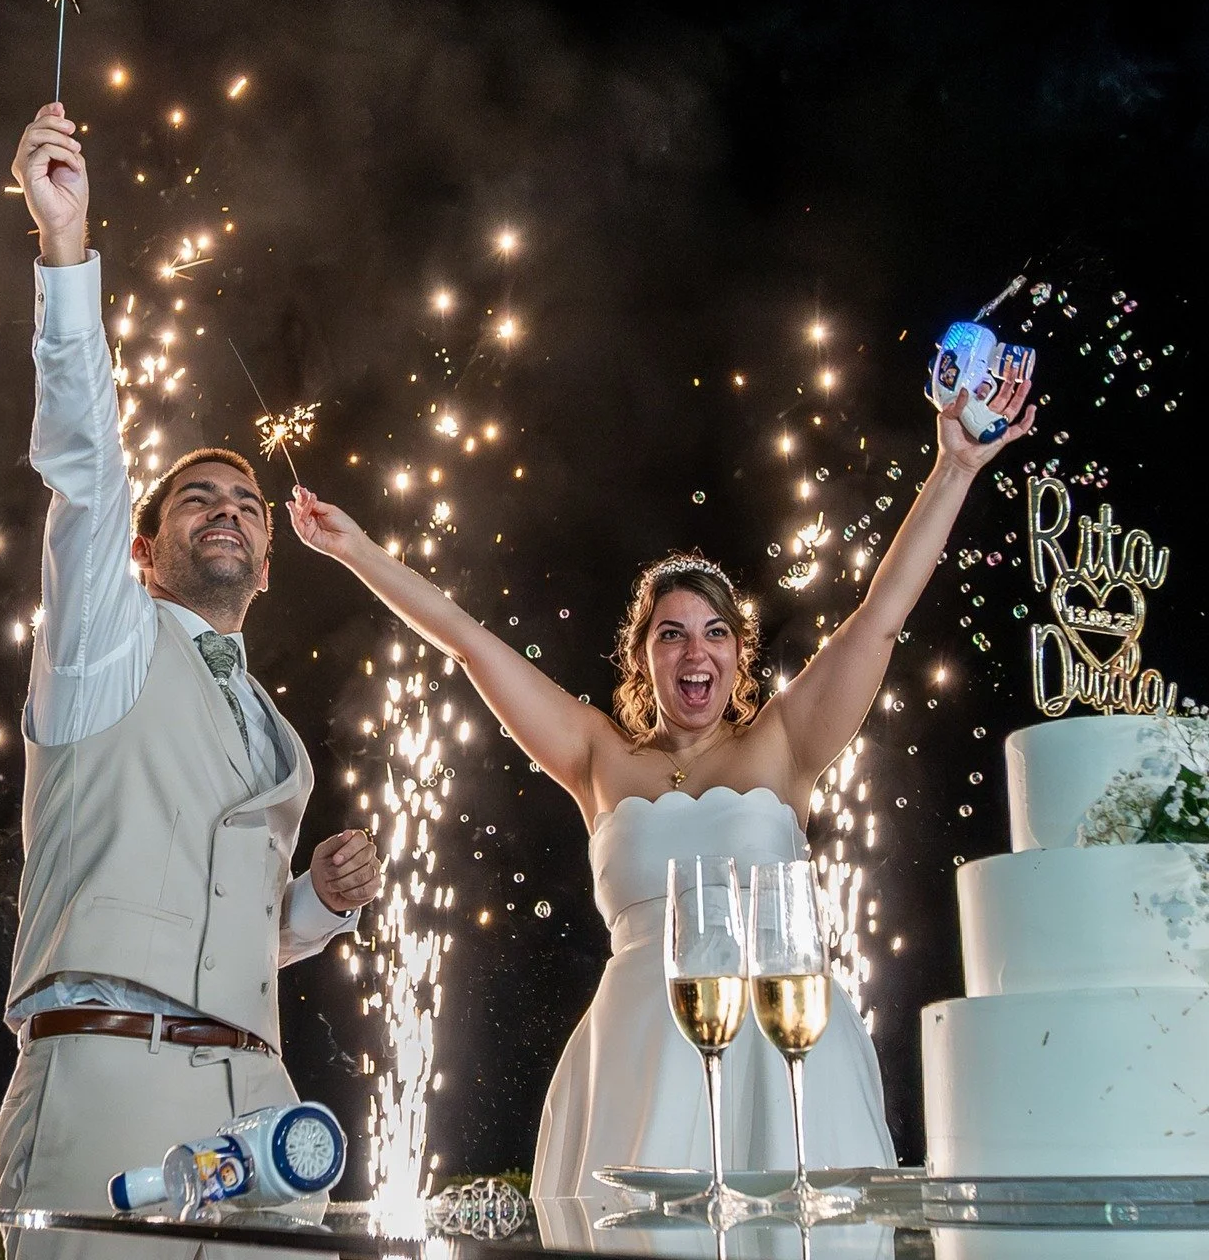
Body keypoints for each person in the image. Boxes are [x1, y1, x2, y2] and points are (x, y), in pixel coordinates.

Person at [288, 364, 1035, 1199]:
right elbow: (468, 642)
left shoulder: (787, 741)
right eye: (672, 634)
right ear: (643, 656)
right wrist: (355, 552)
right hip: (636, 1054)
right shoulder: (598, 756)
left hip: (782, 1044)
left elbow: (882, 613)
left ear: (738, 656)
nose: (695, 651)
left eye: (715, 633)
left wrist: (955, 468)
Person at [0, 103, 384, 1258]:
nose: (227, 511)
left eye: (248, 505)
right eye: (198, 500)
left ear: (269, 559)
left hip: (264, 1112)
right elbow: (86, 467)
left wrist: (315, 902)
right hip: (111, 1084)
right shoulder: (102, 642)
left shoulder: (275, 732)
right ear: (142, 546)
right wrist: (68, 252)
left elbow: (223, 934)